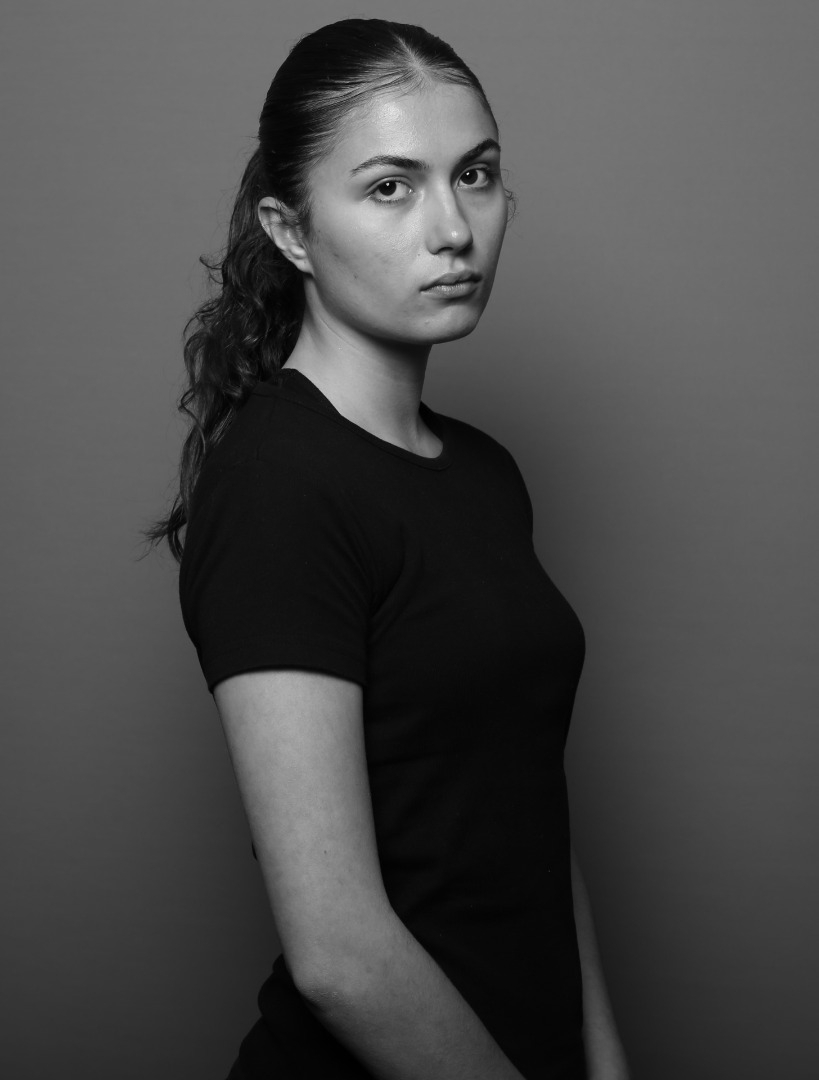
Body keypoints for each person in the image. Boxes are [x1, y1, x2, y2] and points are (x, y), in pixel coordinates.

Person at [148, 18, 630, 1080]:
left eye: (476, 175)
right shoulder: (277, 485)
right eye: (389, 188)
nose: (454, 229)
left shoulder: (486, 472)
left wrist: (603, 1060)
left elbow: (528, 815)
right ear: (290, 231)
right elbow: (338, 956)